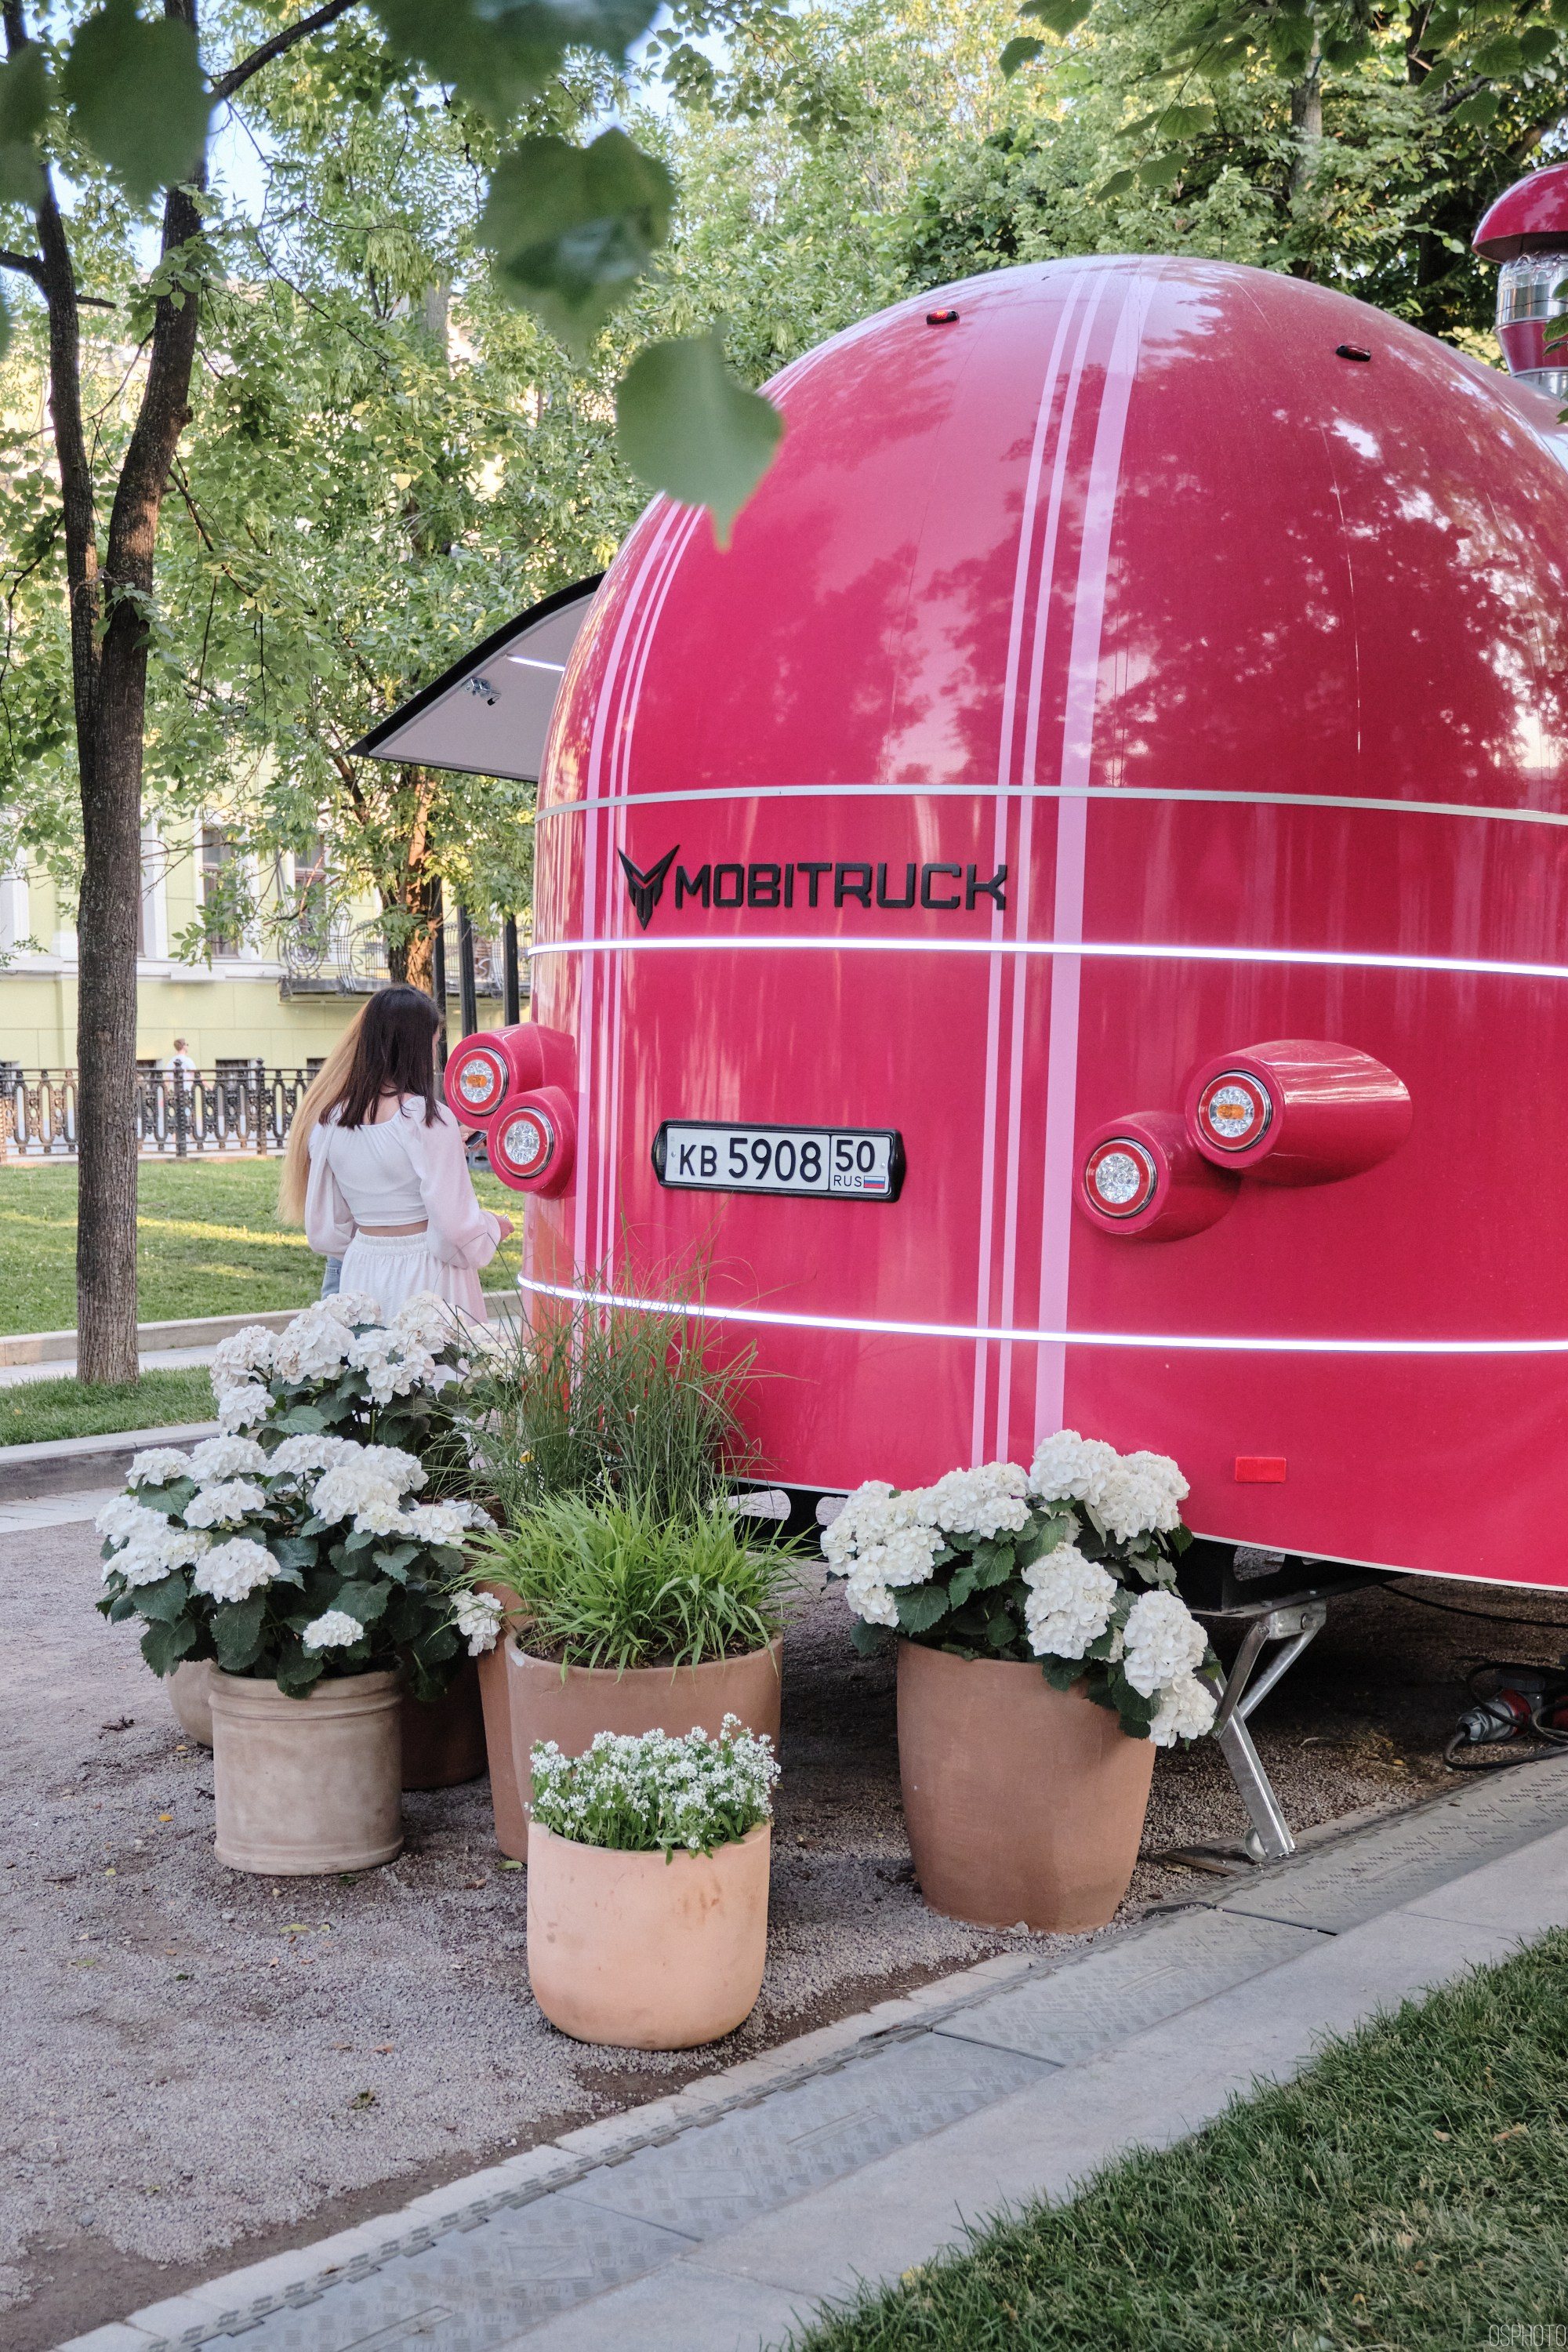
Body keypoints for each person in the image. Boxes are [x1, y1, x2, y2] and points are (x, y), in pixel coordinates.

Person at [277, 986, 512, 1321]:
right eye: (435, 1042)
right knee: (435, 1367)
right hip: (427, 1270)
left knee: (371, 1365)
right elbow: (455, 1232)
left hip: (362, 1266)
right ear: (417, 1045)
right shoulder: (424, 1118)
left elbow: (327, 1227)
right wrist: (492, 1227)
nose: (436, 1053)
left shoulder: (329, 1122)